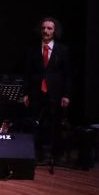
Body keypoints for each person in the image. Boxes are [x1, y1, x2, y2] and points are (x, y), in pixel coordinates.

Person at [22, 16, 73, 162]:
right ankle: (37, 154)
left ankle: (56, 154)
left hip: (55, 92)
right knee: (35, 124)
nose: (46, 31)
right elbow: (27, 73)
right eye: (44, 28)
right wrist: (25, 93)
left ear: (55, 31)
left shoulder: (63, 50)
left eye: (49, 28)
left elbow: (68, 74)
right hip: (36, 92)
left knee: (55, 123)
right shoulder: (31, 49)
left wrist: (66, 95)